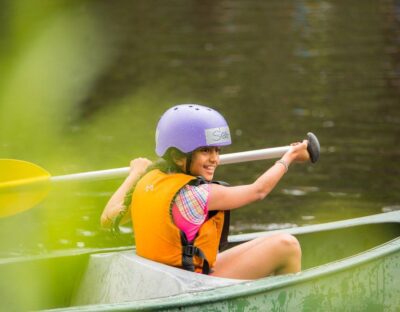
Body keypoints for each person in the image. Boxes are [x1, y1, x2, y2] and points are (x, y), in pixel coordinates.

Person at [101, 104, 310, 280]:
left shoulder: (147, 182)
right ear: (177, 156)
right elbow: (258, 191)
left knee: (272, 240)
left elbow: (107, 219)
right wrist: (289, 157)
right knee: (287, 245)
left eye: (217, 151)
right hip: (189, 286)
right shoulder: (197, 195)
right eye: (205, 151)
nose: (215, 160)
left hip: (161, 279)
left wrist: (135, 174)